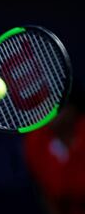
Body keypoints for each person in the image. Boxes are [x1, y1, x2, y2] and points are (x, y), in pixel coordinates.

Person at [23, 79, 85, 214]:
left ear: (73, 109)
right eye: (45, 104)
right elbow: (46, 195)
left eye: (55, 105)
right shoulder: (35, 140)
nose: (47, 112)